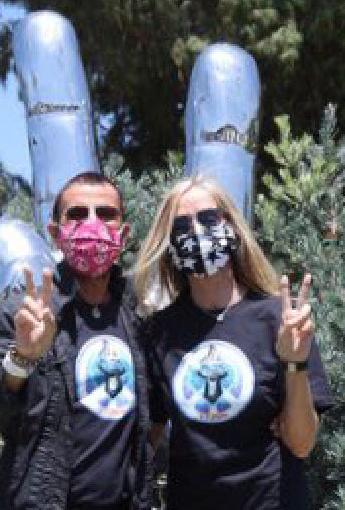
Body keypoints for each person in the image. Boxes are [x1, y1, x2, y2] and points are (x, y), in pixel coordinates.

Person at [133, 175, 334, 510]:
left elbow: (301, 445)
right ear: (169, 242)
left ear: (232, 226)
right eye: (181, 225)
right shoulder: (159, 333)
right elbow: (147, 437)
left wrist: (295, 363)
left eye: (208, 218)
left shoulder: (281, 321)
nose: (196, 231)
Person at [0, 172, 155, 510]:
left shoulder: (139, 313)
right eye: (78, 214)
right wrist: (21, 358)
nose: (93, 224)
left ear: (123, 234)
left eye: (106, 214)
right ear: (55, 233)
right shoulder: (24, 312)